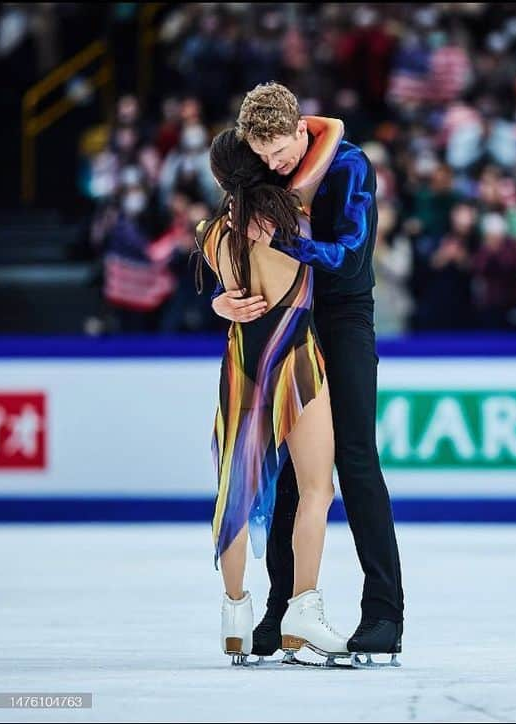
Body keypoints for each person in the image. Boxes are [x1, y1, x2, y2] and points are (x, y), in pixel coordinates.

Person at [210, 82, 404, 661]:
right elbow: (229, 238)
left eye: (279, 153)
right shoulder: (266, 165)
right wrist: (223, 298)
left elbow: (350, 255)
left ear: (300, 128)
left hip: (342, 317)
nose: (273, 165)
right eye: (263, 157)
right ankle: (279, 610)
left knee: (356, 461)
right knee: (291, 474)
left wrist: (291, 244)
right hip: (288, 323)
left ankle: (384, 613)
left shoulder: (349, 165)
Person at [196, 129, 348, 662]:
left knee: (234, 491)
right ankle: (301, 613)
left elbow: (228, 293)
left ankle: (235, 612)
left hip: (242, 363)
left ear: (219, 179)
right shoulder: (294, 213)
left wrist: (221, 304)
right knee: (316, 489)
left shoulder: (211, 234)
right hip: (297, 361)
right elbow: (333, 130)